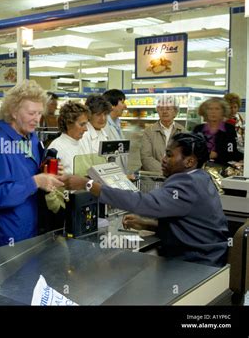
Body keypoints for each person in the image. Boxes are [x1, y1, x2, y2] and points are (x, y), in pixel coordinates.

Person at [60, 133, 229, 268]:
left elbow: (144, 203)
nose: (163, 159)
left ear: (190, 161)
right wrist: (147, 224)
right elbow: (190, 225)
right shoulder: (200, 177)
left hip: (198, 263)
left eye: (169, 155)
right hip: (209, 256)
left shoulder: (188, 183)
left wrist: (89, 184)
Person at [0, 80, 63, 248]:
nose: (37, 119)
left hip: (34, 223)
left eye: (40, 113)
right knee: (17, 273)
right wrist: (36, 182)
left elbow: (29, 170)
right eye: (31, 113)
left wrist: (46, 171)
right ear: (13, 112)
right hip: (12, 230)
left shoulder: (30, 137)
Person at [140, 96, 186, 173]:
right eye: (161, 109)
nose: (164, 112)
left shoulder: (182, 131)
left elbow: (185, 157)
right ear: (157, 111)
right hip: (153, 176)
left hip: (176, 176)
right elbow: (146, 157)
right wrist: (164, 172)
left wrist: (174, 172)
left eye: (168, 108)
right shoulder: (149, 131)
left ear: (175, 112)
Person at [193, 97, 243, 166]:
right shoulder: (198, 129)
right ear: (205, 111)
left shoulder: (229, 129)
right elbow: (193, 151)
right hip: (199, 168)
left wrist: (216, 154)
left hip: (222, 168)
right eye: (210, 109)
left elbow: (231, 152)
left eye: (217, 109)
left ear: (223, 112)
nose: (213, 112)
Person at [47, 101, 89, 174]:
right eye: (82, 124)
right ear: (68, 124)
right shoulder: (56, 147)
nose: (86, 129)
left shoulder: (82, 142)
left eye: (86, 124)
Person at [103, 89, 128, 172]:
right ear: (112, 105)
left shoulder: (116, 123)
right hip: (109, 174)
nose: (125, 106)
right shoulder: (103, 126)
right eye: (122, 102)